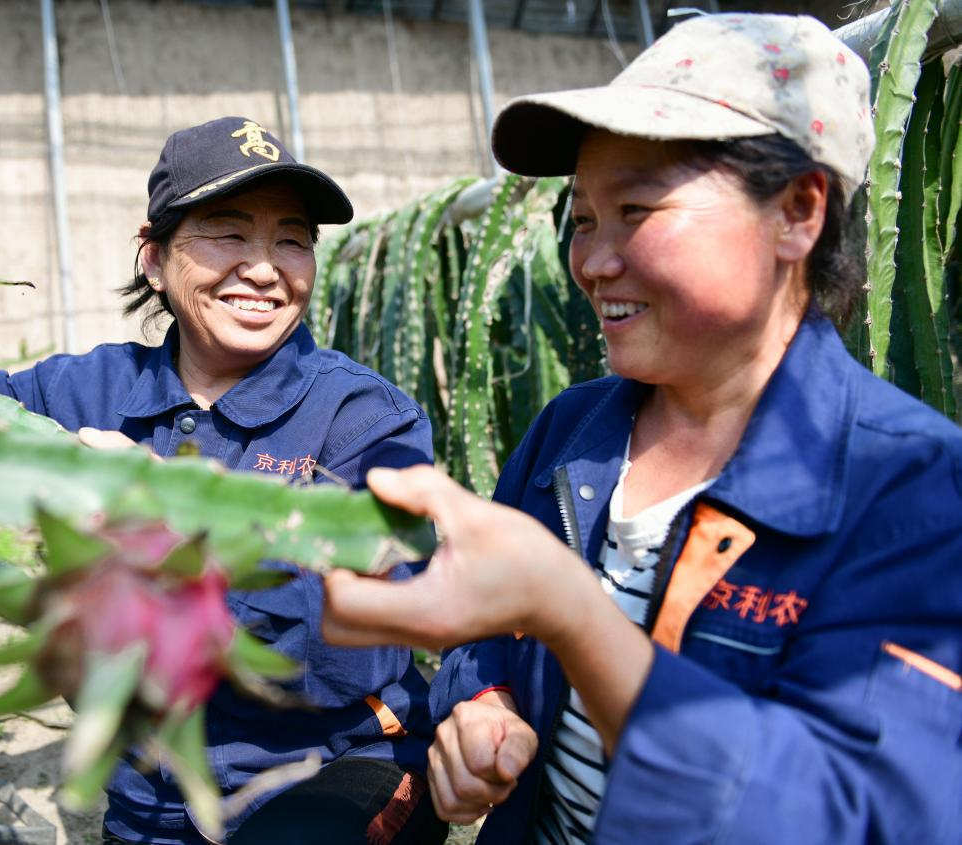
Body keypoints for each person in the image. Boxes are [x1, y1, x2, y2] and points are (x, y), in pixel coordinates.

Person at [321, 13, 962, 844]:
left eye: (636, 207)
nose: (591, 260)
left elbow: (855, 815)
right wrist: (483, 702)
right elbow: (489, 636)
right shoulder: (570, 432)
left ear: (797, 214)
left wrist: (570, 614)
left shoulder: (910, 491)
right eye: (583, 217)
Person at [0, 117, 446, 844]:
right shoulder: (87, 391)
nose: (264, 267)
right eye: (227, 233)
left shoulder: (363, 419)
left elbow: (369, 639)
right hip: (153, 794)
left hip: (337, 763)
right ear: (155, 258)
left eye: (291, 238)